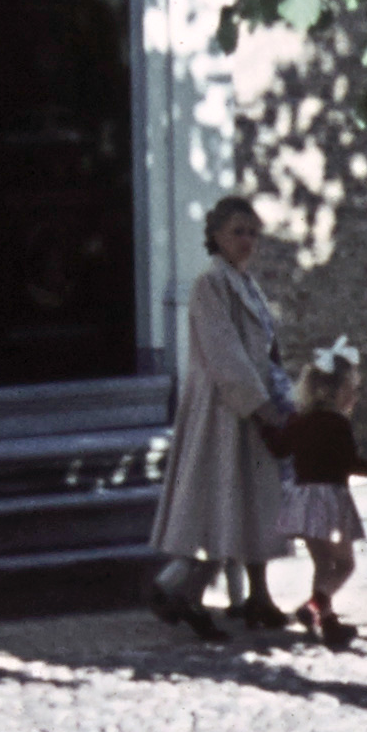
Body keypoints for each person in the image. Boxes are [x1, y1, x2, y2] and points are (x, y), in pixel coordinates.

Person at [148, 195, 286, 640]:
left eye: (252, 233)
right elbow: (224, 352)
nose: (247, 241)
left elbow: (264, 344)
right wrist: (259, 404)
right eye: (237, 232)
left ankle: (258, 595)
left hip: (254, 402)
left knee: (255, 498)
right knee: (221, 499)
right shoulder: (210, 285)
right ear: (216, 236)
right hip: (224, 410)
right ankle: (183, 593)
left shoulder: (247, 284)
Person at [277, 347, 367, 649]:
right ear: (338, 392)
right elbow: (350, 463)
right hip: (330, 501)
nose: (355, 397)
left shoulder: (298, 420)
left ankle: (328, 625)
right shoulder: (338, 424)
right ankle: (314, 606)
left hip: (303, 500)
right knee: (344, 565)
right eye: (353, 389)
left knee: (322, 563)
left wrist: (261, 424)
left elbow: (280, 447)